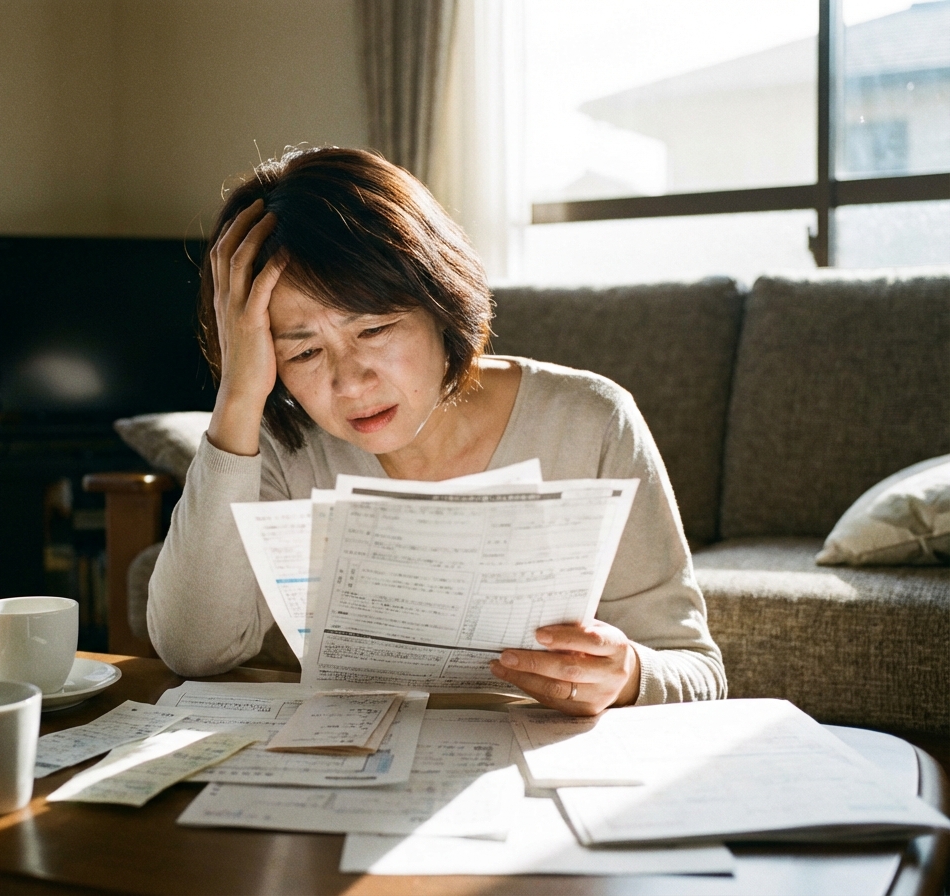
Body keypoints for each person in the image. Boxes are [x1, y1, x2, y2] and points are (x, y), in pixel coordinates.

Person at [148, 146, 725, 715]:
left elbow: (697, 669)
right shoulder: (276, 445)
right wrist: (238, 396)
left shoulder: (590, 420)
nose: (349, 382)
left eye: (373, 330)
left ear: (440, 300)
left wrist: (626, 674)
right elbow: (192, 649)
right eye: (303, 353)